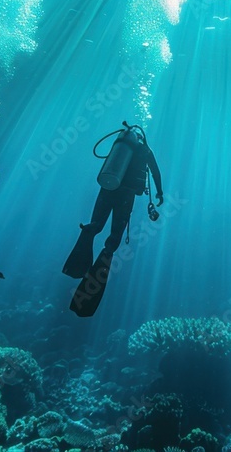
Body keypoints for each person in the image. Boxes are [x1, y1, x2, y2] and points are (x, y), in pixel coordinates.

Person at [64, 123, 163, 317]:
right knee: (113, 241)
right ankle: (87, 292)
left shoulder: (120, 145)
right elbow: (155, 172)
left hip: (108, 188)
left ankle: (82, 248)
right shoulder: (145, 149)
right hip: (126, 196)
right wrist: (159, 192)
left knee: (96, 226)